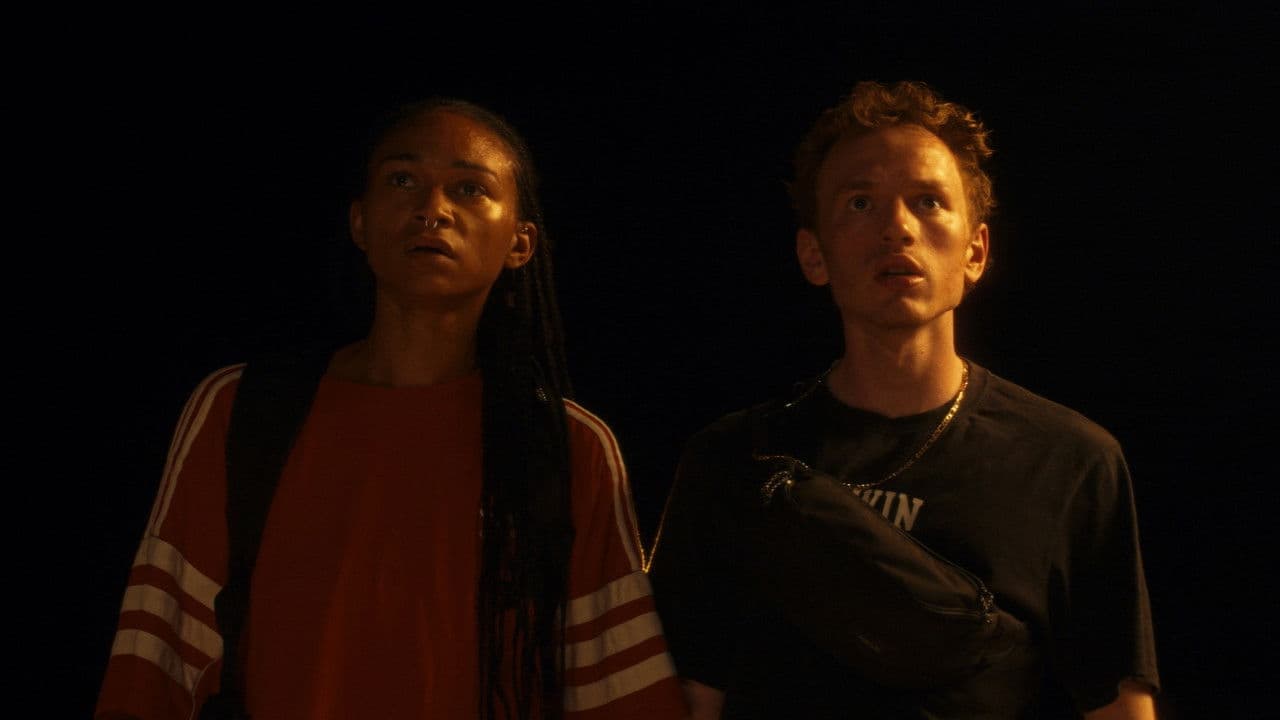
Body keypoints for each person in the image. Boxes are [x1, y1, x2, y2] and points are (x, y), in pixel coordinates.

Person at [95, 98, 689, 720]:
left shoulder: (567, 447)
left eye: (470, 188)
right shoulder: (240, 410)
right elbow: (155, 663)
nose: (433, 209)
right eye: (403, 180)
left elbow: (619, 695)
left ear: (521, 242)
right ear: (360, 222)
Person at [648, 80, 1160, 718]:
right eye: (861, 203)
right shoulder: (730, 461)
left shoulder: (1070, 461)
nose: (897, 228)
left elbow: (1119, 707)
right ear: (814, 253)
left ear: (975, 251)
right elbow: (690, 701)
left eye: (929, 202)